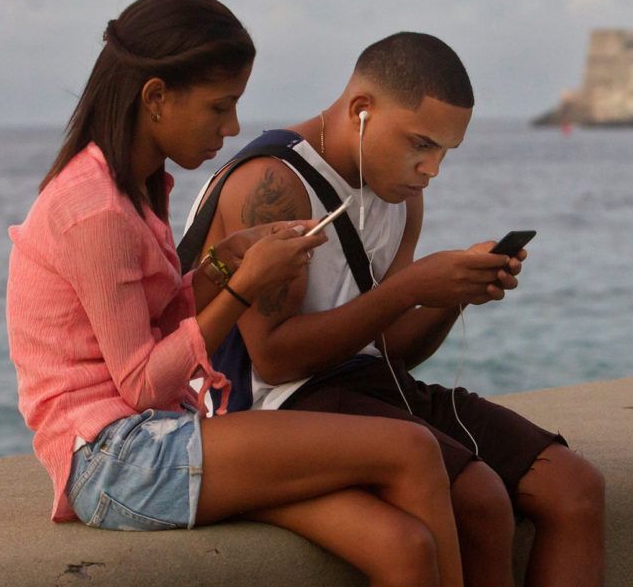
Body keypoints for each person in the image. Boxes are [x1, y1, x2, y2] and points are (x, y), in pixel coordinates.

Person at [6, 0, 465, 587]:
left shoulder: (137, 187)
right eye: (220, 107)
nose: (234, 127)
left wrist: (223, 263)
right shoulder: (93, 208)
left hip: (159, 435)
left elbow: (161, 318)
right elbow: (142, 384)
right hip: (113, 459)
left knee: (400, 545)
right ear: (156, 98)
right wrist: (245, 288)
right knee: (411, 451)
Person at [188, 32, 605, 586]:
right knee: (480, 499)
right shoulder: (272, 182)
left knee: (573, 487)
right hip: (276, 407)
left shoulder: (401, 195)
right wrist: (408, 287)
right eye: (420, 144)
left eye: (443, 153)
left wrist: (449, 296)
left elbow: (393, 349)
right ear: (362, 110)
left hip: (364, 382)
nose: (430, 168)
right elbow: (275, 361)